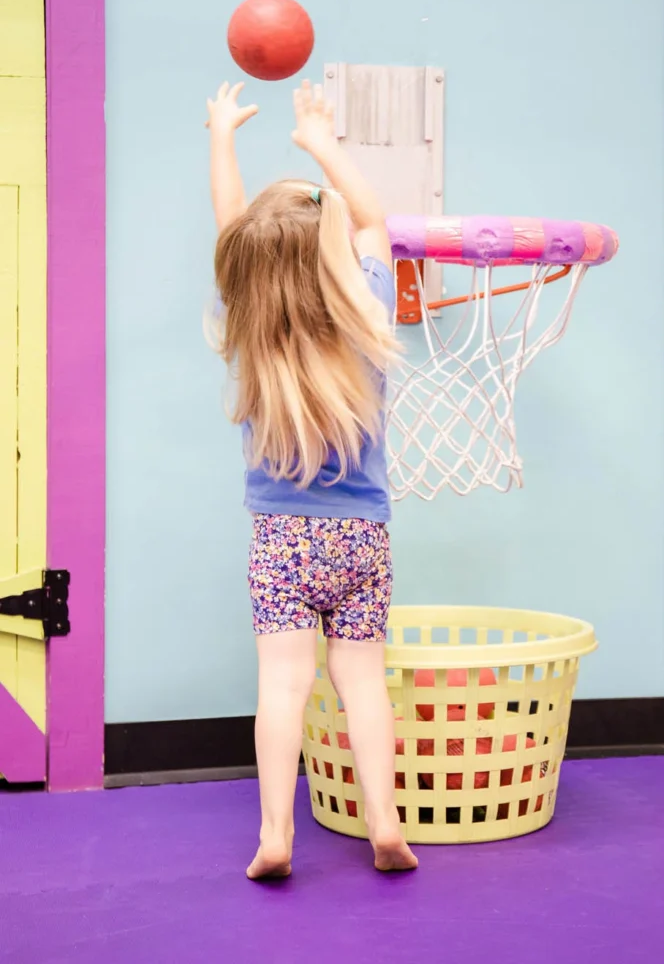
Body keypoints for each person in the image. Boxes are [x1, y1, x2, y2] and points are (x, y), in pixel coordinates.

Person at [205, 79, 417, 878]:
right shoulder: (366, 315)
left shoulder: (251, 328)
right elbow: (371, 222)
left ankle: (274, 834)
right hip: (362, 538)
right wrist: (320, 142)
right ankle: (386, 826)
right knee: (362, 685)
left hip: (281, 540)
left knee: (282, 688)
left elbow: (232, 233)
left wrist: (222, 135)